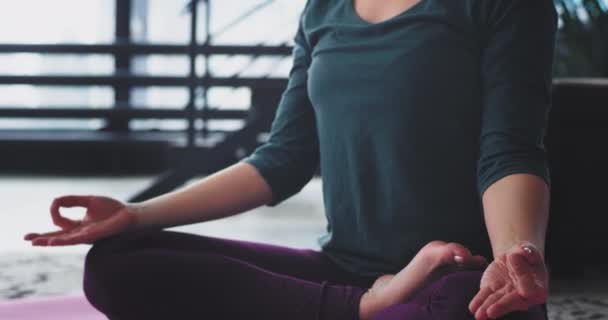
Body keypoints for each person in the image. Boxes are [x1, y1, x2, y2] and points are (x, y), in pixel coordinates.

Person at [24, 0, 556, 319]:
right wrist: (136, 214)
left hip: (460, 278)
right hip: (347, 274)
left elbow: (507, 151)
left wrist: (516, 255)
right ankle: (361, 311)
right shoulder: (322, 9)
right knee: (119, 263)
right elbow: (281, 159)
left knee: (457, 308)